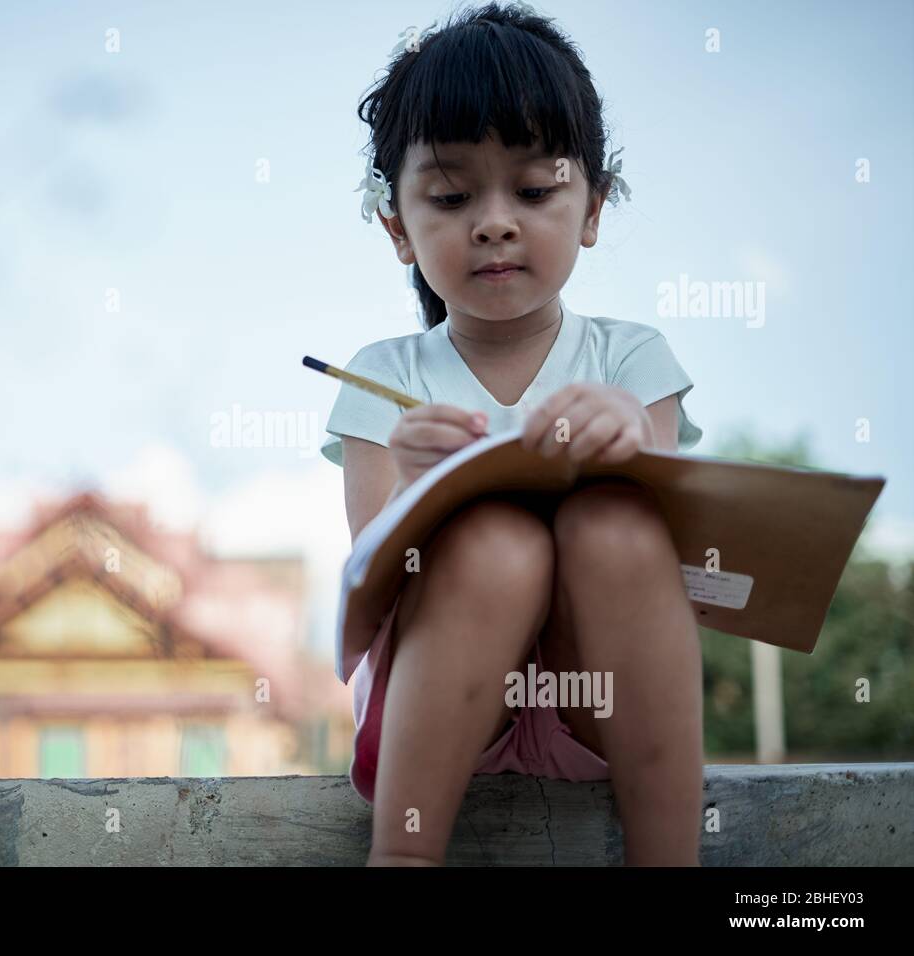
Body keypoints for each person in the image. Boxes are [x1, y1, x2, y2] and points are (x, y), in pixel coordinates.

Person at [322, 2, 705, 866]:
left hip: (598, 706)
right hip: (443, 714)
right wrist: (420, 499)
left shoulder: (634, 358)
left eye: (534, 190)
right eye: (453, 196)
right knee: (494, 543)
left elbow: (678, 561)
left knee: (619, 525)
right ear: (398, 228)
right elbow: (371, 583)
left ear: (593, 208)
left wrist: (631, 453)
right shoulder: (383, 377)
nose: (494, 221)